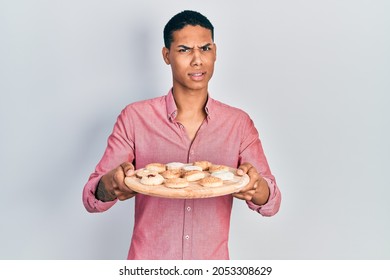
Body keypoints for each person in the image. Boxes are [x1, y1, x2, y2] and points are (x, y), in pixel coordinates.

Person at [82, 10, 281, 260]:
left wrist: (256, 186)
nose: (197, 60)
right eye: (185, 50)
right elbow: (91, 197)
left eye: (205, 49)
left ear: (215, 52)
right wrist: (110, 185)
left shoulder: (238, 124)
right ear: (167, 55)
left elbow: (271, 202)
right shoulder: (135, 118)